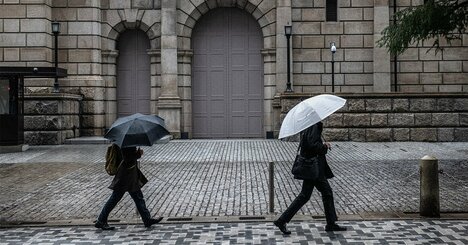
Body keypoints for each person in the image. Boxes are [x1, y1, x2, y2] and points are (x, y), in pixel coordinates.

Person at [274, 121, 346, 234]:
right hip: (314, 167)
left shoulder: (309, 124)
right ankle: (330, 224)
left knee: (307, 195)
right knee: (325, 193)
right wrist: (324, 146)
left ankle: (282, 220)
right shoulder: (313, 125)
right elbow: (312, 145)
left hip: (312, 167)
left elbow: (310, 143)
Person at [95, 145, 163, 230]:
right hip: (125, 176)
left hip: (130, 175)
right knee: (115, 198)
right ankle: (101, 220)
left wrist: (136, 154)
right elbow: (126, 158)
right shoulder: (126, 143)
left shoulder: (128, 141)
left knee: (138, 197)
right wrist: (138, 154)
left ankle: (147, 219)